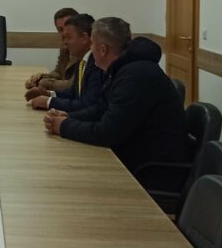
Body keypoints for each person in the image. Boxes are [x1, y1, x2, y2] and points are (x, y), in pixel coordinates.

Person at [42, 17, 187, 175]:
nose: (90, 49)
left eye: (92, 44)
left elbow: (107, 133)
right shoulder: (121, 69)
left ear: (103, 50)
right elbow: (101, 108)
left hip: (151, 170)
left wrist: (63, 126)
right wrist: (68, 116)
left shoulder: (135, 76)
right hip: (134, 155)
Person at [28, 14, 103, 113]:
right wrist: (49, 94)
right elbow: (73, 93)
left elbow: (87, 104)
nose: (65, 42)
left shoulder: (97, 64)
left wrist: (49, 102)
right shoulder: (82, 60)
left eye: (68, 37)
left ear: (84, 38)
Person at [24, 7, 78, 98]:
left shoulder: (84, 50)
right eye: (60, 29)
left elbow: (73, 85)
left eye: (67, 28)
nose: (64, 33)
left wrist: (43, 83)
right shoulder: (64, 47)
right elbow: (59, 72)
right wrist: (40, 78)